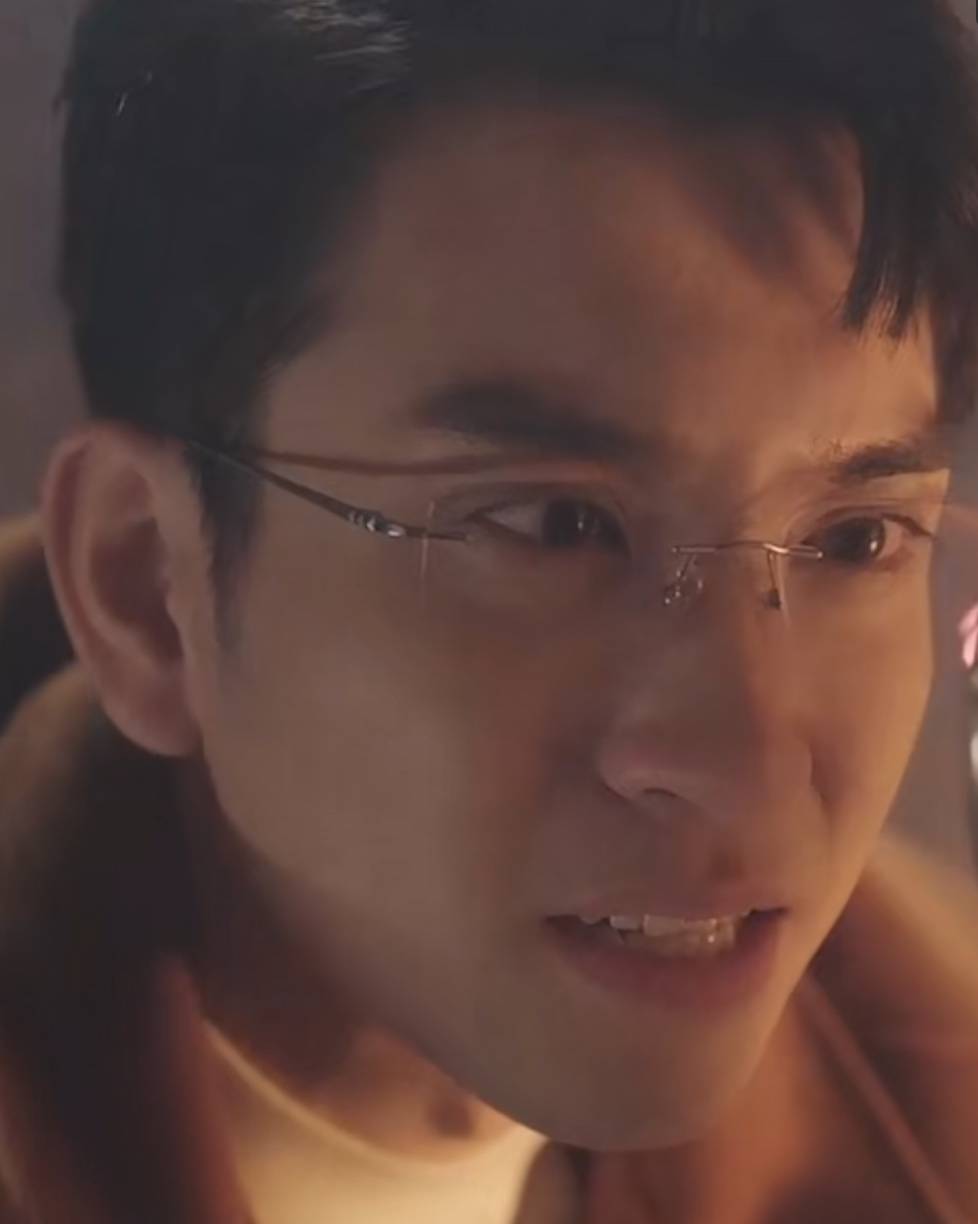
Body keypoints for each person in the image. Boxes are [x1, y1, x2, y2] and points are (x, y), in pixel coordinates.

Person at [2, 0, 978, 1219]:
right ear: (147, 586)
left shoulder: (940, 1074)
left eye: (854, 537)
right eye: (557, 526)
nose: (750, 768)